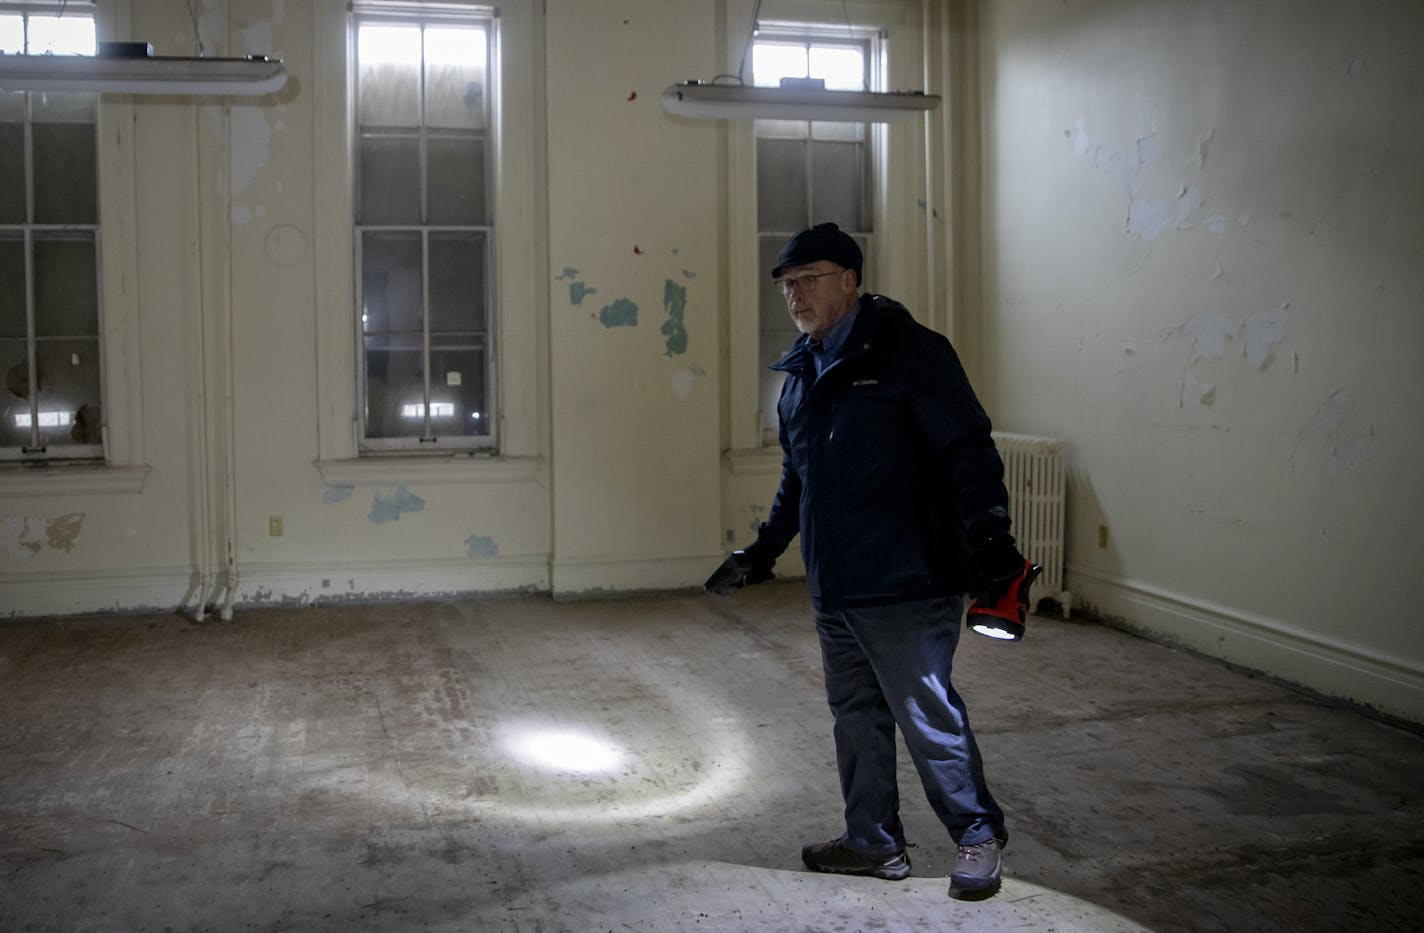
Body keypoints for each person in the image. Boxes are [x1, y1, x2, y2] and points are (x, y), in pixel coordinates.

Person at [707, 222, 1027, 896]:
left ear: (851, 280)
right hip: (837, 584)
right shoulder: (799, 375)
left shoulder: (912, 354)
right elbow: (800, 482)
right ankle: (874, 842)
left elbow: (968, 448)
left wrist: (991, 536)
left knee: (926, 713)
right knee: (855, 716)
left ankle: (977, 837)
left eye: (810, 279)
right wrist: (762, 551)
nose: (795, 295)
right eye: (787, 285)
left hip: (909, 577)